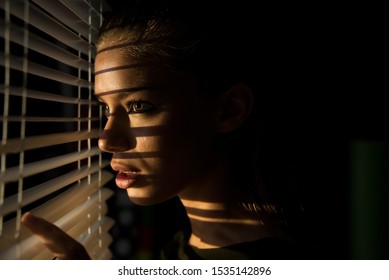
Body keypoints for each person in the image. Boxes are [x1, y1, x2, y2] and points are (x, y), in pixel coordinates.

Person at [21, 0, 304, 259]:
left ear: (228, 110)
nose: (106, 140)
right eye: (106, 109)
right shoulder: (193, 246)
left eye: (139, 106)